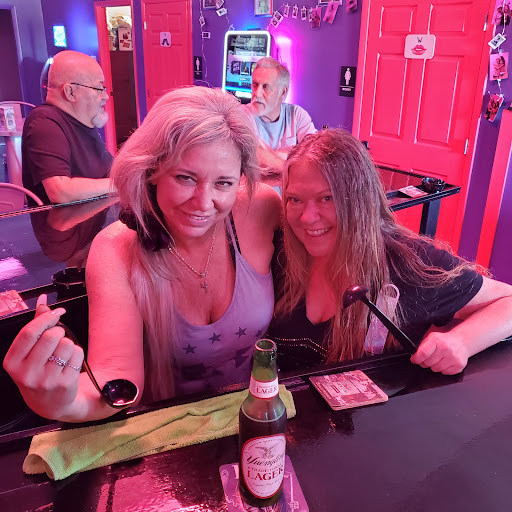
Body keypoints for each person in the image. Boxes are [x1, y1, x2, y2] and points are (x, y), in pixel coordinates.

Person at [5, 87, 281, 422]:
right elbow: (115, 378)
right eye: (185, 178)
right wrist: (62, 402)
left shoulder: (260, 209)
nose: (203, 202)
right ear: (152, 170)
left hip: (259, 416)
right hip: (173, 434)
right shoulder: (116, 250)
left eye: (223, 183)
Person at [269, 129, 512, 374]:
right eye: (295, 199)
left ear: (360, 200)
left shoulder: (408, 264)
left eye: (327, 198)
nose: (307, 217)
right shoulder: (279, 252)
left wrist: (462, 341)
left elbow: (508, 303)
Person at [22, 50, 114, 204]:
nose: (105, 96)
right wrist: (119, 184)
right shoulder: (44, 122)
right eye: (99, 88)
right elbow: (61, 192)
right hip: (65, 220)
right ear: (70, 92)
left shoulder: (82, 123)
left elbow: (110, 171)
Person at [246, 57, 316, 180]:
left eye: (266, 87)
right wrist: (291, 163)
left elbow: (313, 157)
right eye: (255, 85)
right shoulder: (241, 115)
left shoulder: (297, 115)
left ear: (283, 92)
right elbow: (252, 154)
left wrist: (267, 160)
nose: (257, 93)